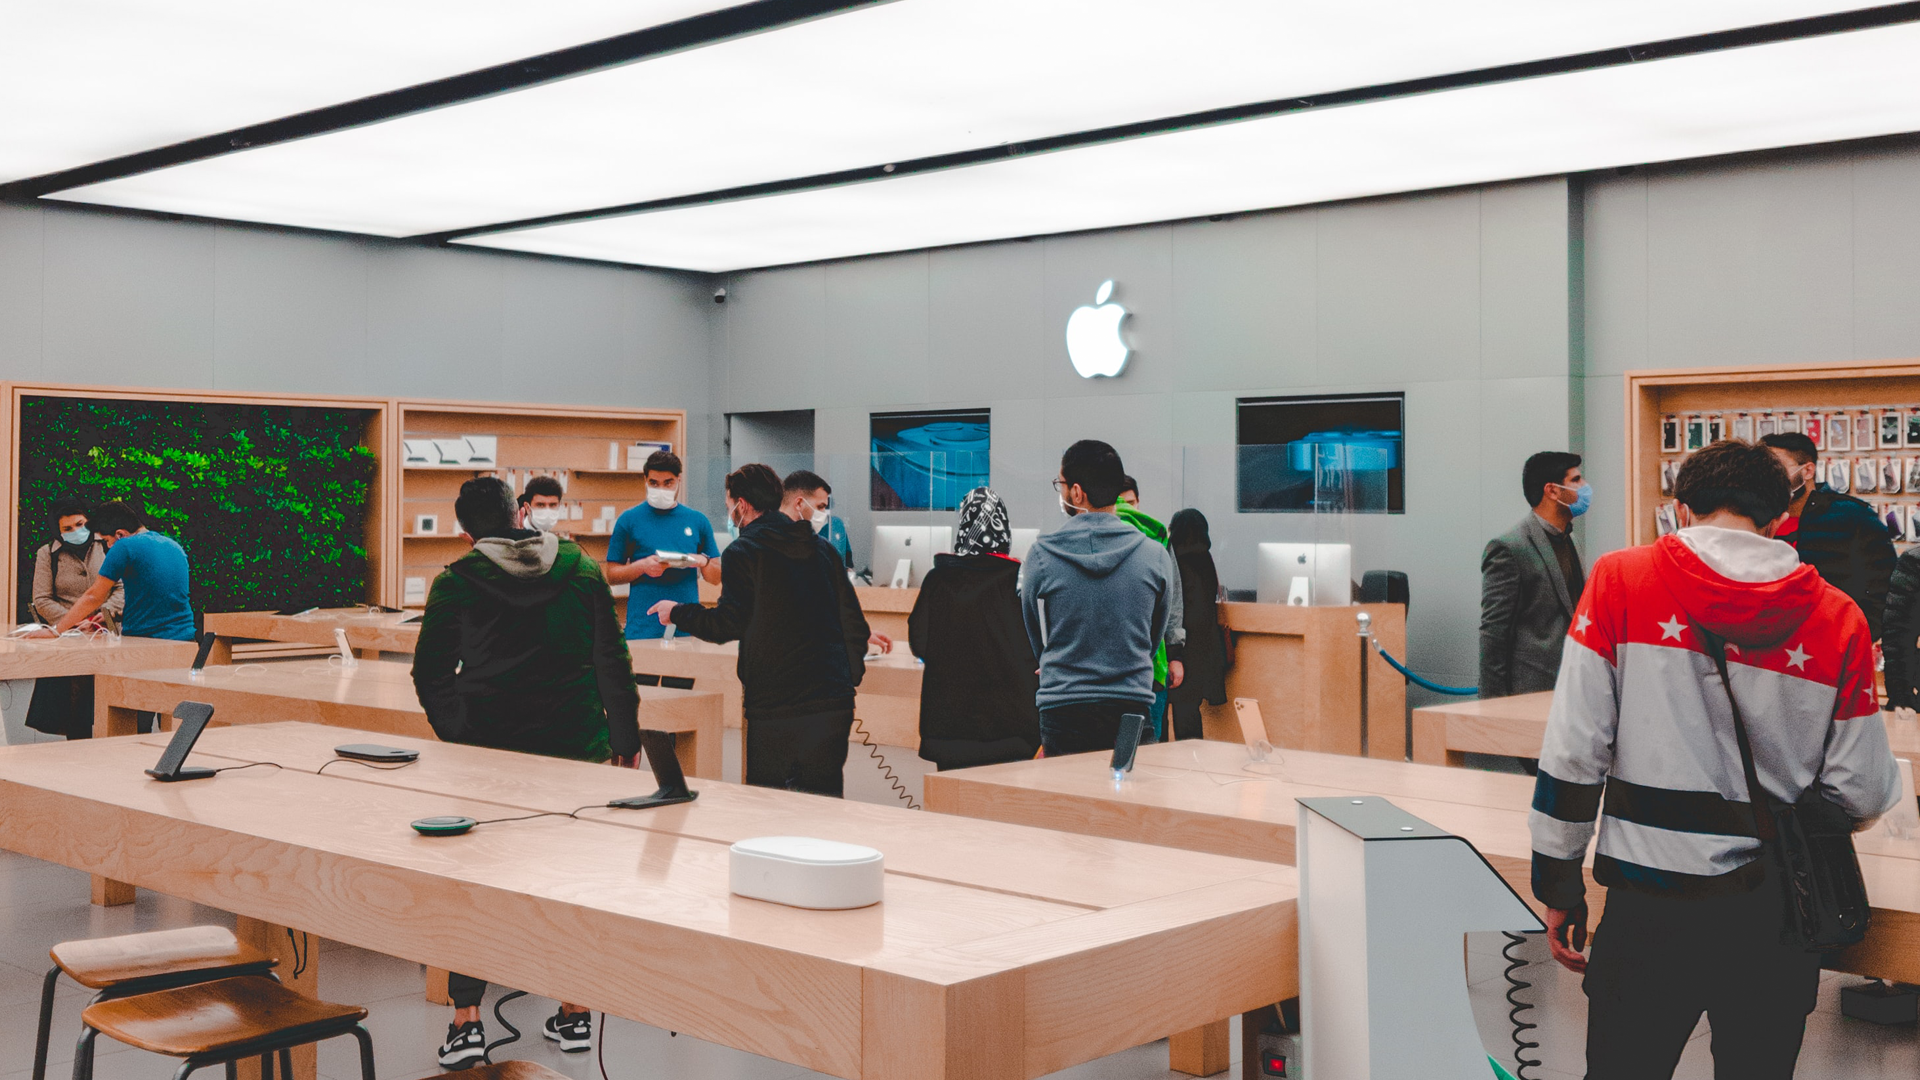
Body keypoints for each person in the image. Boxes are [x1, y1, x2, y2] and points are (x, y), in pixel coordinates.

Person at [1530, 439, 1899, 1080]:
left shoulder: (1620, 581)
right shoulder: (1840, 619)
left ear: (1680, 509)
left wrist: (1558, 880)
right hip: (1777, 907)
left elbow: (1574, 748)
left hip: (1648, 900)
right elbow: (1863, 790)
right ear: (1783, 517)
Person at [411, 477, 642, 1067]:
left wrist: (460, 736)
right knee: (573, 881)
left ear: (465, 530)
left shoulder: (457, 580)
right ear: (521, 512)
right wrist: (624, 736)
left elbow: (430, 673)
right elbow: (611, 656)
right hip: (577, 751)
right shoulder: (581, 568)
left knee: (476, 884)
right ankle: (574, 1013)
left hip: (489, 757)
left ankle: (467, 1023)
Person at [649, 464, 867, 796]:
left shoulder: (742, 552)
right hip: (832, 703)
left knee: (768, 806)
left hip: (774, 704)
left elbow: (726, 624)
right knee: (824, 806)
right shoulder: (822, 549)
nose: (729, 511)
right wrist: (847, 677)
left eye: (729, 504)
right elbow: (854, 622)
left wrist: (677, 612)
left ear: (743, 505)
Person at [1020, 440, 1177, 756]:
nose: (1062, 494)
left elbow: (1031, 625)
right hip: (1131, 703)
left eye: (1061, 485)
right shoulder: (1154, 555)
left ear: (1077, 493)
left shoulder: (1041, 555)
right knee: (1125, 800)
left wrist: (1051, 661)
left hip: (1062, 708)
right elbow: (1155, 633)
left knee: (1067, 801)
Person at [909, 488, 1041, 769]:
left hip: (950, 728)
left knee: (950, 808)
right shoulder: (1019, 580)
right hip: (1012, 727)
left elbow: (919, 642)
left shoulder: (938, 579)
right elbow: (1036, 645)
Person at [1761, 432, 1896, 642]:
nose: (1768, 478)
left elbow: (1884, 586)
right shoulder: (1756, 520)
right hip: (1771, 646)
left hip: (1835, 644)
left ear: (1807, 471)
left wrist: (1856, 636)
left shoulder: (1852, 516)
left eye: (1775, 468)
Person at [1479, 451, 1587, 699]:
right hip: (1530, 691)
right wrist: (1492, 708)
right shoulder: (1508, 548)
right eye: (1576, 480)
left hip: (1571, 686)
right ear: (1552, 491)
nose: (1584, 487)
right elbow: (1494, 634)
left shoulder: (1571, 538)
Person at [23, 500, 123, 739]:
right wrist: (73, 622)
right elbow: (42, 598)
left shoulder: (108, 547)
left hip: (105, 636)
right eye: (67, 528)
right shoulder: (47, 553)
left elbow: (121, 588)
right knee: (74, 714)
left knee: (109, 710)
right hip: (69, 640)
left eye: (80, 524)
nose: (75, 531)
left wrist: (103, 615)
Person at [37, 501, 193, 643]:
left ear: (120, 534)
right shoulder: (174, 546)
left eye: (106, 540)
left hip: (147, 642)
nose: (109, 546)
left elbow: (93, 596)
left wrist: (56, 631)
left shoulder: (124, 546)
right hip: (185, 638)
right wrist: (112, 615)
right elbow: (156, 599)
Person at [605, 451, 721, 640]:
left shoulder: (698, 521)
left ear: (679, 480)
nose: (661, 489)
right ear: (645, 480)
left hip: (688, 627)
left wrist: (703, 562)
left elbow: (716, 578)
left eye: (668, 483)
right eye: (654, 483)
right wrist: (642, 566)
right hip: (643, 628)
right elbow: (611, 574)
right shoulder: (629, 520)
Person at [781, 469, 890, 656]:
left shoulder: (819, 543)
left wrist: (855, 632)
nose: (823, 513)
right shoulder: (773, 544)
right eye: (820, 506)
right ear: (799, 503)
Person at [1114, 476, 1184, 739]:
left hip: (1153, 664)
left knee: (1149, 741)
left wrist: (1175, 653)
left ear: (1139, 502)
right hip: (1125, 665)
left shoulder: (1156, 540)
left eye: (1130, 503)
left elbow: (1172, 599)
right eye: (1121, 504)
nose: (1127, 511)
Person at [1166, 509, 1230, 742]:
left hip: (1181, 648)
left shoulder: (1174, 561)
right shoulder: (1206, 559)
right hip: (1204, 647)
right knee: (1190, 713)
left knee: (1177, 712)